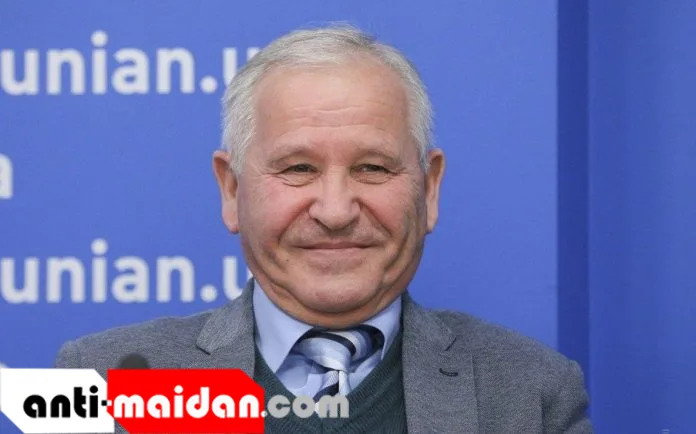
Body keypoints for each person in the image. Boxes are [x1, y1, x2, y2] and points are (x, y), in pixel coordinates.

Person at [55, 25, 592, 433]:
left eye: (373, 168)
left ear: (429, 190)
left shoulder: (533, 394)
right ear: (232, 190)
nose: (335, 211)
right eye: (298, 169)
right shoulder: (99, 383)